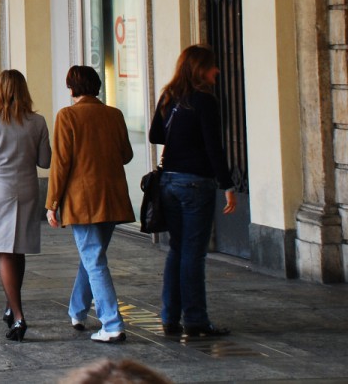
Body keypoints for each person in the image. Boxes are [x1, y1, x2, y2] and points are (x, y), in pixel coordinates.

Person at [149, 45, 236, 338]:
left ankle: (170, 317)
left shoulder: (169, 97)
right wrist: (227, 185)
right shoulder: (204, 101)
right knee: (194, 253)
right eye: (212, 66)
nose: (217, 71)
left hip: (169, 182)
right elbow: (214, 147)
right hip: (196, 183)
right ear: (200, 69)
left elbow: (154, 135)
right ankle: (196, 319)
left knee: (177, 249)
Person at [46, 65, 135, 343]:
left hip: (82, 200)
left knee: (94, 259)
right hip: (112, 197)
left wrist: (52, 203)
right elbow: (127, 155)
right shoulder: (114, 115)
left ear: (72, 88)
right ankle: (78, 310)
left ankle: (111, 323)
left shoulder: (67, 116)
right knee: (92, 257)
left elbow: (60, 164)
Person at [0, 70, 51, 341]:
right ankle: (9, 305)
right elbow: (45, 161)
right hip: (27, 189)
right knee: (19, 250)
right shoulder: (37, 122)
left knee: (4, 252)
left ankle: (18, 315)